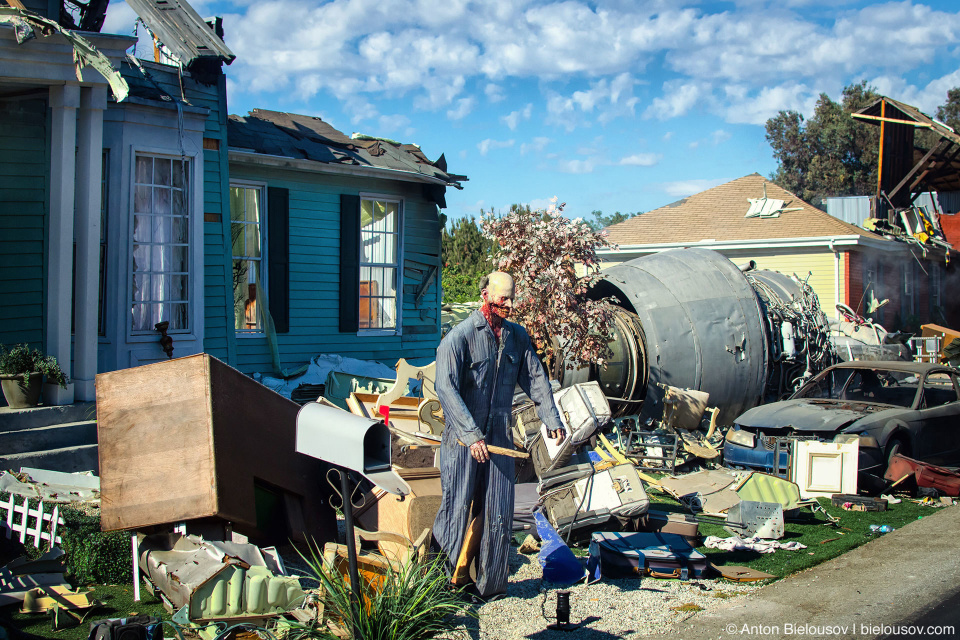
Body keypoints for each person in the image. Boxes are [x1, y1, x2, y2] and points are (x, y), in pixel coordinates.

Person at [432, 271, 566, 598]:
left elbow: (537, 379)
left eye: (511, 297)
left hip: (500, 439)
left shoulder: (517, 338)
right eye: (502, 298)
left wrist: (551, 417)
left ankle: (489, 586)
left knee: (497, 508)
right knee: (456, 507)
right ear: (485, 296)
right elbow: (445, 388)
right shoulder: (460, 337)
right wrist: (471, 434)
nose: (508, 304)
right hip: (464, 439)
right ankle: (434, 588)